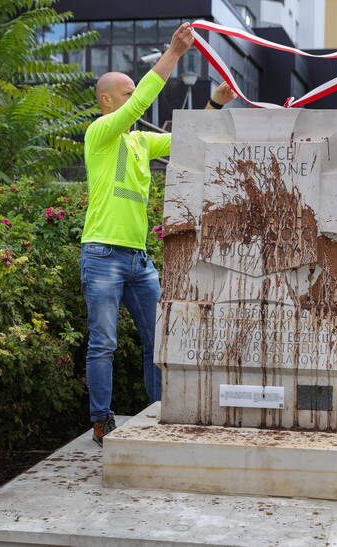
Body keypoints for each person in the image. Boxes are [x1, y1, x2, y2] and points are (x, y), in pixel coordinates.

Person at [82, 22, 237, 446]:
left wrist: (214, 104)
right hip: (101, 254)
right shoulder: (100, 134)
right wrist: (173, 53)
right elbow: (137, 108)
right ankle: (101, 420)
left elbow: (186, 140)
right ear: (105, 100)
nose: (134, 100)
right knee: (104, 344)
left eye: (133, 91)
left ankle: (157, 413)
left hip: (136, 258)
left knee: (160, 341)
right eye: (127, 92)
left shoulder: (137, 143)